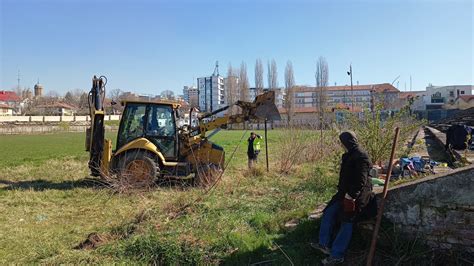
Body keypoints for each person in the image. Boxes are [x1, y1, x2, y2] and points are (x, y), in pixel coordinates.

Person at [311, 131, 375, 265]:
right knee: (328, 212)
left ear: (347, 142)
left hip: (358, 196)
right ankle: (324, 245)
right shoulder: (348, 155)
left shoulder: (361, 156)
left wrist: (351, 197)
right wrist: (343, 193)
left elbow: (361, 181)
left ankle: (336, 255)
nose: (341, 145)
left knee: (347, 221)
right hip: (343, 193)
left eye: (342, 142)